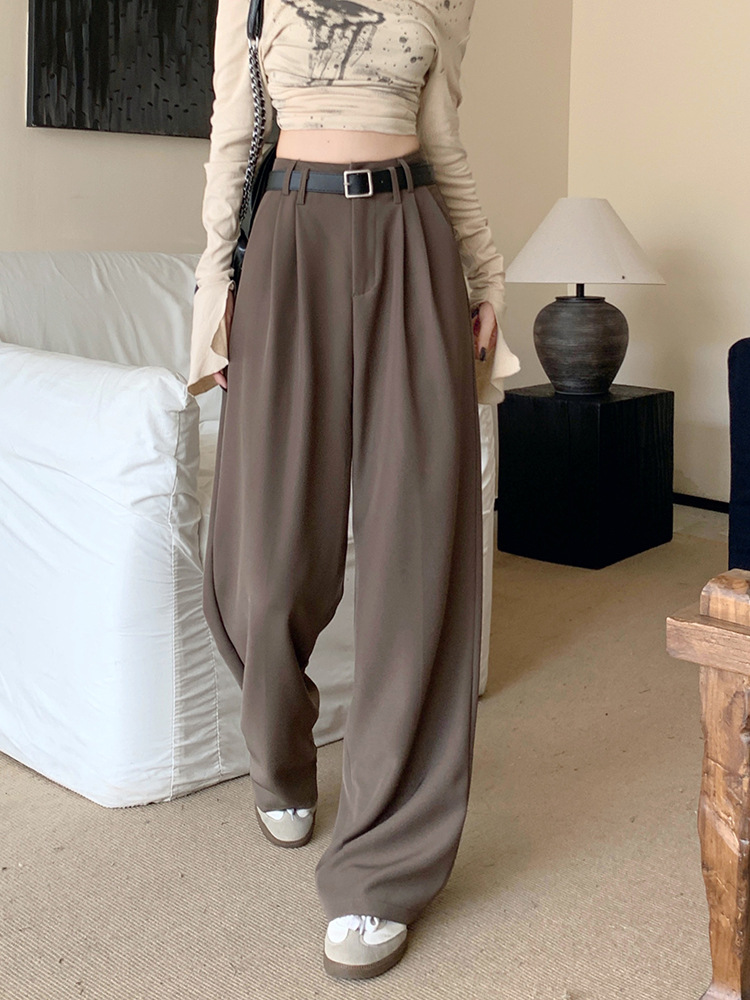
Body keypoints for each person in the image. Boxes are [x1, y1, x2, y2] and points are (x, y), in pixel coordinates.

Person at [187, 0, 521, 981]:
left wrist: (485, 275)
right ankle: (279, 754)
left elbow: (445, 138)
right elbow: (232, 141)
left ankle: (384, 865)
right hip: (289, 241)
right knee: (265, 556)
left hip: (413, 239)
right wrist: (215, 291)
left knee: (418, 551)